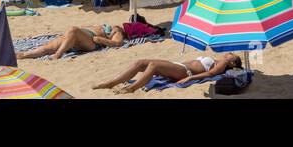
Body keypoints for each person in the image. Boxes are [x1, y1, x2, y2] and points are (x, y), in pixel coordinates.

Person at [19, 16, 157, 60]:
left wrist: (101, 40)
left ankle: (58, 55)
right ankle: (23, 55)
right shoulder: (115, 28)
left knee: (72, 30)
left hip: (90, 41)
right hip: (81, 36)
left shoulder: (118, 32)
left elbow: (117, 44)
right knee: (45, 47)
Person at [93, 53, 243, 93]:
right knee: (140, 63)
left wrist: (190, 78)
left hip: (184, 71)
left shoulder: (223, 63)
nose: (229, 53)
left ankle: (132, 88)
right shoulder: (220, 60)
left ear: (232, 62)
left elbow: (210, 75)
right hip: (178, 66)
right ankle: (111, 83)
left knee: (152, 65)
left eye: (232, 55)